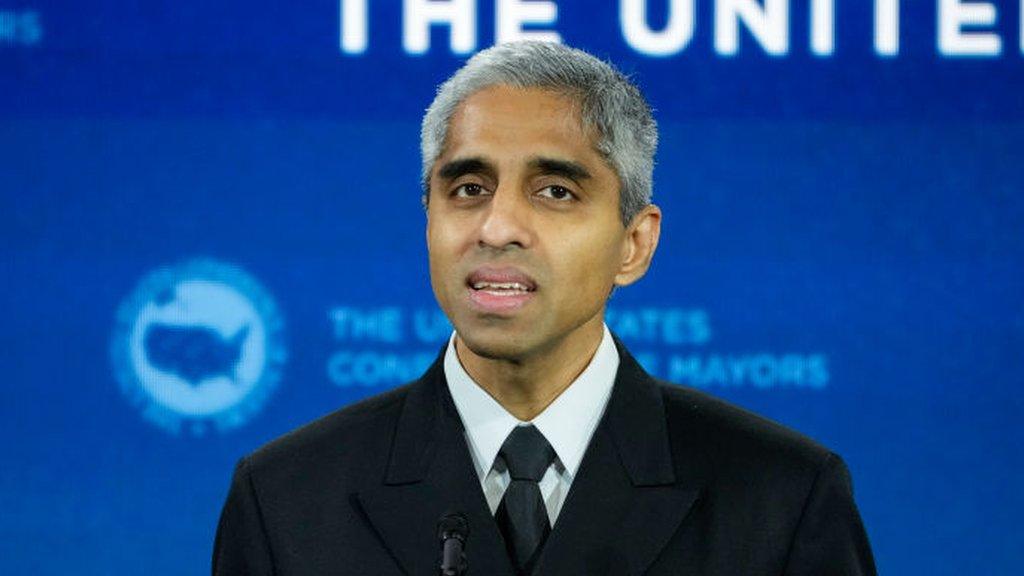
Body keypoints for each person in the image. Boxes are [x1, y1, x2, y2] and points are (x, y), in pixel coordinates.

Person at [212, 41, 876, 576]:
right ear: (429, 221)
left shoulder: (782, 499)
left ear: (633, 244)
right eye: (468, 187)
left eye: (555, 191)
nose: (497, 227)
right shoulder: (286, 499)